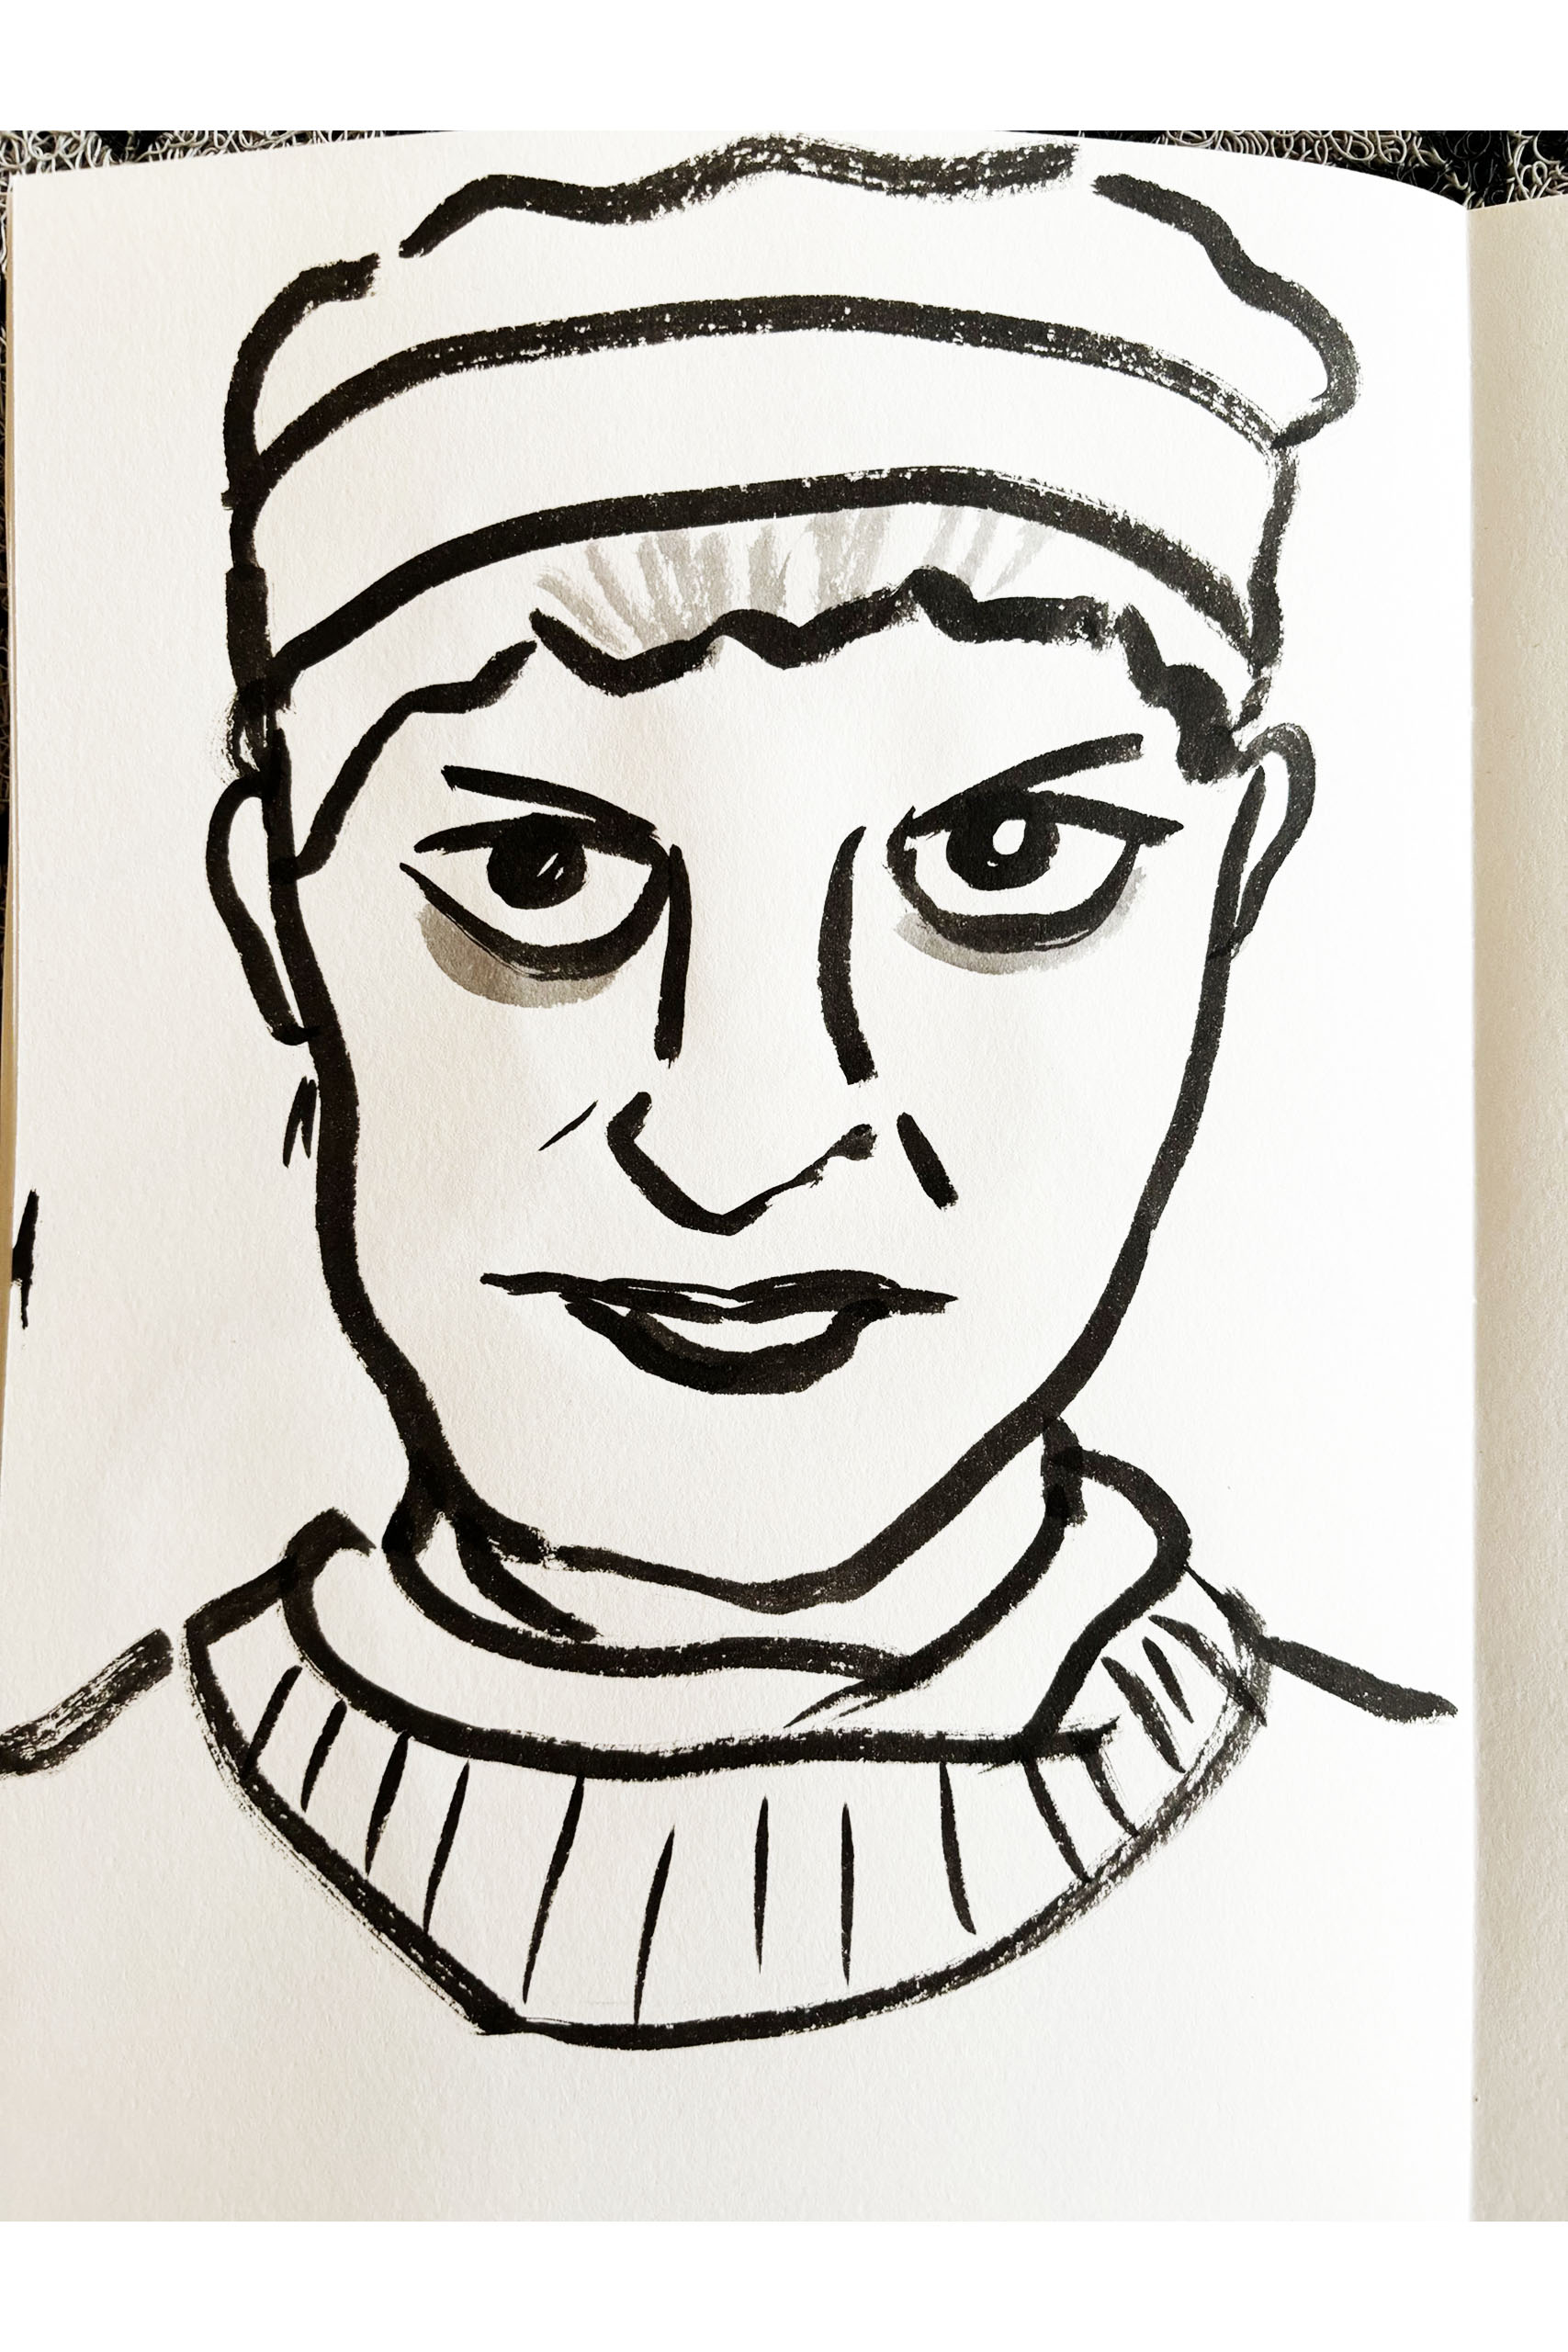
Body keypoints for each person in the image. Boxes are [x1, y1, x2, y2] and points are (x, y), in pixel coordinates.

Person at [6, 135, 1455, 2043]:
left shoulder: (1422, 1868)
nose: (743, 1144)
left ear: (1236, 884)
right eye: (540, 875)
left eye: (1007, 857)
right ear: (278, 910)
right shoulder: (57, 1876)